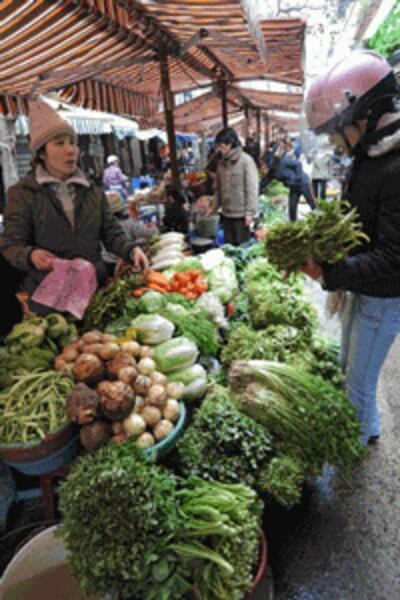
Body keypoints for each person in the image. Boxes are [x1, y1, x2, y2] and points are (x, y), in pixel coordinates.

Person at [303, 50, 400, 445]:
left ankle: (354, 454)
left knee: (357, 384)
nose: (333, 142)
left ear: (363, 113)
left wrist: (331, 273)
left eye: (334, 131)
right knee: (349, 370)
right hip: (366, 289)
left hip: (384, 295)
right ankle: (369, 430)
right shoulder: (371, 156)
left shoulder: (394, 166)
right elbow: (360, 224)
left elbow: (394, 256)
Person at [0, 99, 148, 315]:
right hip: (50, 301)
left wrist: (130, 249)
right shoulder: (22, 194)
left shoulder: (91, 190)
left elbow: (111, 232)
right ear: (42, 152)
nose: (71, 150)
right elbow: (11, 245)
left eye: (73, 142)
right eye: (59, 143)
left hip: (94, 295)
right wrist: (30, 255)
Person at [214, 127, 259, 246]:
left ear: (230, 144)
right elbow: (218, 189)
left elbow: (252, 188)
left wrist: (250, 213)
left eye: (221, 146)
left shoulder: (246, 161)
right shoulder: (221, 164)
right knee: (229, 248)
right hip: (226, 213)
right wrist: (214, 208)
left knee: (242, 248)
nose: (219, 149)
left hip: (241, 215)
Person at [260, 138, 316, 221]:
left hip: (303, 183)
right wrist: (259, 190)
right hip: (293, 187)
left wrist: (298, 178)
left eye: (265, 166)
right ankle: (293, 225)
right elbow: (264, 182)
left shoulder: (283, 161)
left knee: (311, 203)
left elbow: (298, 164)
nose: (264, 168)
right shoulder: (272, 173)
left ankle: (319, 219)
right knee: (292, 207)